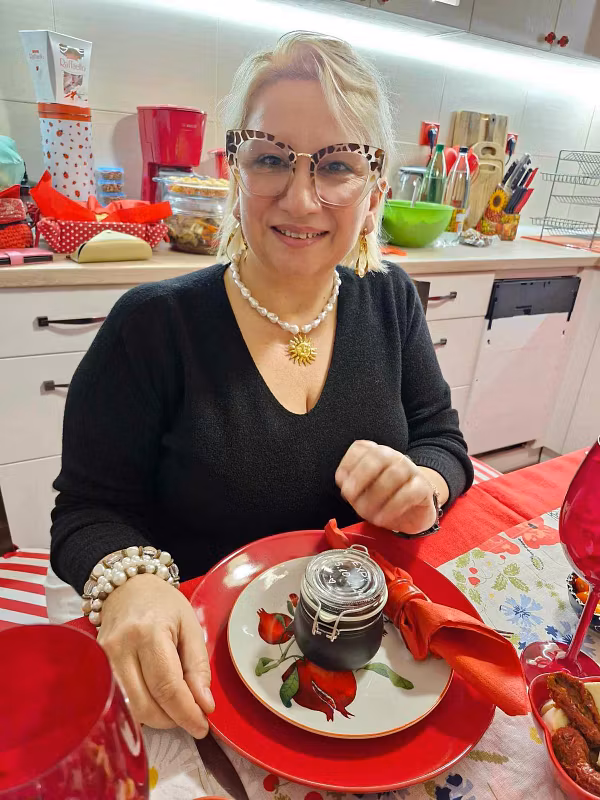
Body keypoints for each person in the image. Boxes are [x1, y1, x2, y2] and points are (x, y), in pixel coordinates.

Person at [50, 32, 473, 741]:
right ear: (234, 168)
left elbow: (443, 441)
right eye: (272, 158)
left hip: (364, 679)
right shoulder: (153, 328)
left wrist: (422, 486)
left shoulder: (391, 299)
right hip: (196, 682)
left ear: (376, 190)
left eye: (337, 166)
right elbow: (88, 512)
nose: (301, 198)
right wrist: (130, 582)